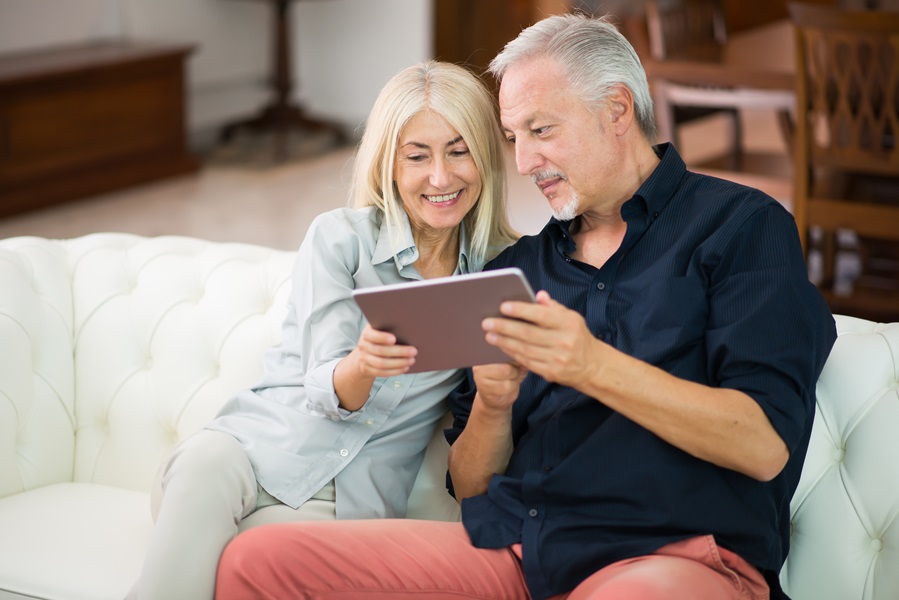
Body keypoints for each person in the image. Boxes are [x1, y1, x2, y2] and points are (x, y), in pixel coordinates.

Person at [214, 14, 837, 600]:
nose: (522, 162)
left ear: (616, 110)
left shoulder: (740, 228)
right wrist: (493, 401)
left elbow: (762, 445)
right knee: (257, 563)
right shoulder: (514, 272)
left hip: (672, 560)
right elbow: (474, 486)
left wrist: (591, 364)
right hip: (515, 552)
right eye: (513, 137)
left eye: (541, 130)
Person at [125, 60, 518, 600]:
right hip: (248, 459)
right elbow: (323, 384)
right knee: (204, 462)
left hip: (347, 507)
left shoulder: (504, 272)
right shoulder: (340, 239)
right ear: (389, 164)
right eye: (417, 156)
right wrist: (362, 365)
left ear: (486, 156)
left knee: (247, 562)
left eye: (459, 150)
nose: (441, 177)